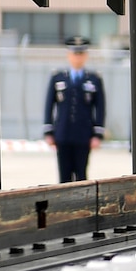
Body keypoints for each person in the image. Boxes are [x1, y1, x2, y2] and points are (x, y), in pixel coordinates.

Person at [42, 35, 106, 183]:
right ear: (68, 55)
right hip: (63, 133)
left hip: (83, 135)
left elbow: (100, 107)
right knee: (64, 176)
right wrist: (48, 131)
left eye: (81, 54)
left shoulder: (94, 79)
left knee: (81, 175)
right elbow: (49, 105)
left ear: (86, 56)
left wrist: (98, 134)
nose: (77, 57)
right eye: (74, 54)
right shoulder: (58, 78)